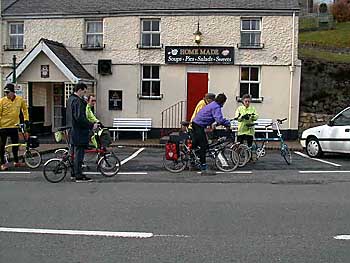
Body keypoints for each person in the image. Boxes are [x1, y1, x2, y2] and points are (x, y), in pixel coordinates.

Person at [192, 93, 231, 175]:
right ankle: (203, 168)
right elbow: (219, 120)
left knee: (196, 144)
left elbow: (214, 118)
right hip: (198, 125)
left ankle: (192, 158)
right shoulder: (216, 107)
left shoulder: (213, 104)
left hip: (197, 124)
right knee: (204, 145)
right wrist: (227, 123)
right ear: (223, 102)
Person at [66, 83, 98, 182]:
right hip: (79, 131)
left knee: (73, 154)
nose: (84, 94)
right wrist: (91, 125)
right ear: (79, 90)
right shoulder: (77, 101)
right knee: (79, 155)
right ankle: (78, 175)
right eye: (84, 91)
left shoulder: (70, 100)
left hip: (71, 130)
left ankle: (73, 173)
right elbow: (80, 118)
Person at [0, 83, 29, 171]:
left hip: (14, 126)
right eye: (5, 92)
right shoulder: (2, 101)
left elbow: (25, 109)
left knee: (15, 144)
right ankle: (3, 163)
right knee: (2, 145)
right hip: (3, 127)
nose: (6, 94)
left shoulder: (20, 100)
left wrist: (26, 119)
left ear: (12, 92)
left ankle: (16, 161)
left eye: (7, 92)